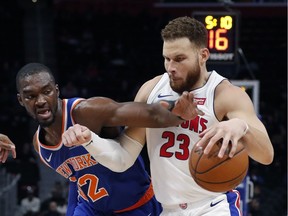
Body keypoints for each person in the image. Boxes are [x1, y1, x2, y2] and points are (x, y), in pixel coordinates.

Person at [63, 16, 274, 216]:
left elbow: (266, 156)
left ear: (203, 56)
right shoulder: (151, 90)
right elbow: (122, 159)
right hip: (168, 209)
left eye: (180, 59)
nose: (171, 67)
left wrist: (241, 127)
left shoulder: (225, 95)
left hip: (213, 206)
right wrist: (90, 140)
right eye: (167, 58)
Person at [16, 62, 201, 215]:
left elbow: (148, 113)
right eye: (31, 96)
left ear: (56, 91)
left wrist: (177, 111)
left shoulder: (86, 112)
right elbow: (76, 180)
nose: (40, 101)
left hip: (135, 206)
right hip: (91, 209)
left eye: (46, 92)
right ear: (20, 100)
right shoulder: (39, 145)